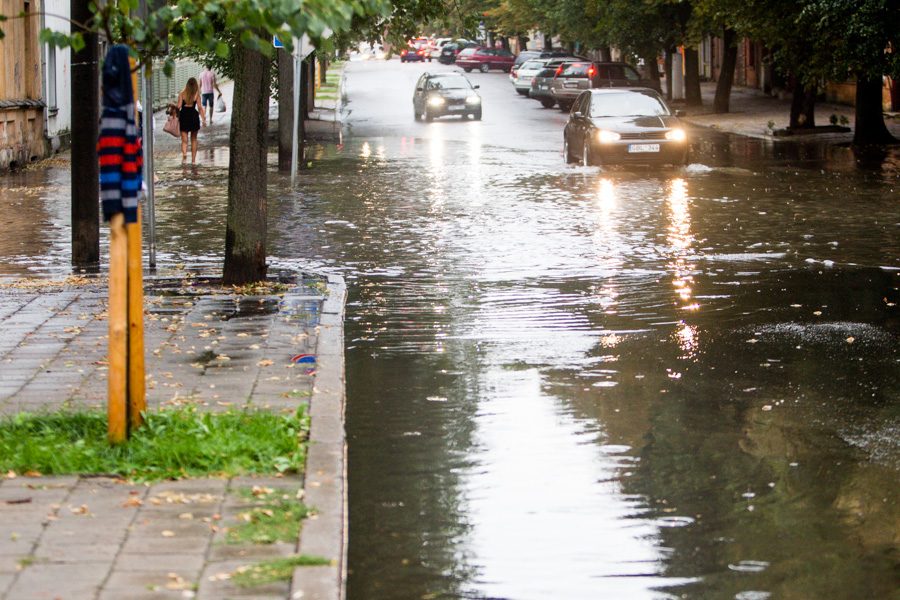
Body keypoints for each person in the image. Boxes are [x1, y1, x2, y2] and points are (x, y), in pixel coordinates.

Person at [176, 77, 204, 164]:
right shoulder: (196, 94)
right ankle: (193, 161)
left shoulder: (182, 94)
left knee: (184, 140)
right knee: (194, 139)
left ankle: (184, 154)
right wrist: (203, 119)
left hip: (184, 116)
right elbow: (199, 107)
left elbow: (179, 106)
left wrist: (176, 115)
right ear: (195, 85)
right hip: (193, 116)